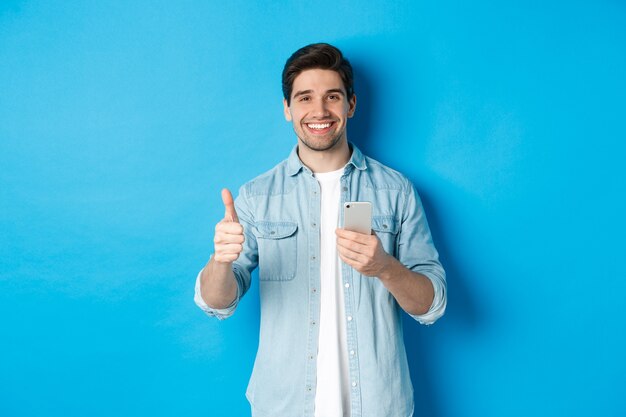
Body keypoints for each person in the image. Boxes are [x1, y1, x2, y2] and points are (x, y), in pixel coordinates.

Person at [194, 43, 447, 417]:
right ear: (287, 109)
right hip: (284, 406)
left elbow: (432, 305)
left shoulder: (396, 191)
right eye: (304, 98)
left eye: (332, 96)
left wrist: (384, 267)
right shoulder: (257, 196)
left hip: (378, 406)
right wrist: (220, 261)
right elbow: (217, 303)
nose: (319, 111)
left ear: (351, 105)